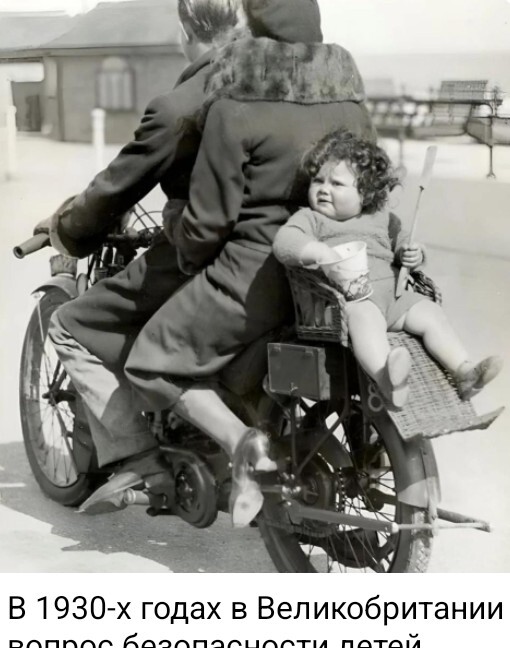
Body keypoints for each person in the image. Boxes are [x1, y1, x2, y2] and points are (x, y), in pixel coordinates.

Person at [113, 11, 377, 526]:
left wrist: (184, 249)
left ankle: (243, 445)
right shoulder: (350, 105)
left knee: (149, 361)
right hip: (338, 271)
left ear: (251, 32)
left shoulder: (234, 106)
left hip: (255, 274)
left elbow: (207, 224)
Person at [43, 0, 316, 493]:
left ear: (185, 28)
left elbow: (118, 185)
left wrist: (69, 228)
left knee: (71, 325)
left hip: (209, 252)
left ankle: (140, 459)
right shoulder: (282, 82)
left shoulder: (181, 104)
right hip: (295, 245)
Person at [272, 129, 503, 408]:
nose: (323, 189)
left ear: (365, 193)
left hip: (393, 298)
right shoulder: (311, 219)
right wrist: (317, 251)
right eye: (318, 181)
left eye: (336, 184)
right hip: (352, 301)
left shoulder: (379, 216)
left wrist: (412, 252)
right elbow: (285, 242)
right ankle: (387, 378)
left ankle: (462, 370)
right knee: (364, 318)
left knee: (429, 312)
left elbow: (400, 238)